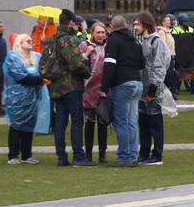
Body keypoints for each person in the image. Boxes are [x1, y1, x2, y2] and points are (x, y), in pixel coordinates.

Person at [42, 10, 92, 167]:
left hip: (56, 87)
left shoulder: (51, 40)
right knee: (77, 121)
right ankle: (79, 155)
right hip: (71, 86)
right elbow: (76, 64)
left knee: (60, 123)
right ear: (70, 22)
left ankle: (61, 156)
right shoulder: (68, 40)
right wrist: (87, 73)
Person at [101, 14, 145, 167]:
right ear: (125, 26)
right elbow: (142, 63)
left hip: (122, 84)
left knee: (121, 122)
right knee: (132, 122)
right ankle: (133, 155)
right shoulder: (134, 41)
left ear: (112, 27)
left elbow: (109, 65)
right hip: (137, 83)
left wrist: (104, 87)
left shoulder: (113, 40)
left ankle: (124, 156)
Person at [3, 33, 47, 164]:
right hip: (16, 97)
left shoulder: (36, 56)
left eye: (31, 40)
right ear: (19, 42)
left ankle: (27, 155)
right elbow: (19, 76)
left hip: (32, 97)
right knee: (16, 125)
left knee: (29, 124)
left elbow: (45, 67)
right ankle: (13, 155)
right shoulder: (13, 56)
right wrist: (39, 80)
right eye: (27, 40)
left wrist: (45, 43)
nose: (31, 41)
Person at [135, 12, 171, 166]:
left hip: (152, 89)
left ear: (145, 25)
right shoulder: (143, 41)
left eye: (137, 24)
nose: (135, 27)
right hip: (142, 88)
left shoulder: (157, 42)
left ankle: (157, 154)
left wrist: (152, 90)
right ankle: (143, 153)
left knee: (155, 122)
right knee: (143, 123)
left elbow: (160, 67)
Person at [80, 20, 109, 163]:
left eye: (103, 32)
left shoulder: (109, 46)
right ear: (92, 33)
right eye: (98, 32)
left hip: (104, 89)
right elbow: (78, 64)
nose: (101, 35)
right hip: (89, 89)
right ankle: (88, 154)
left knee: (103, 122)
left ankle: (102, 154)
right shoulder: (85, 45)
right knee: (90, 122)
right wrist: (86, 53)